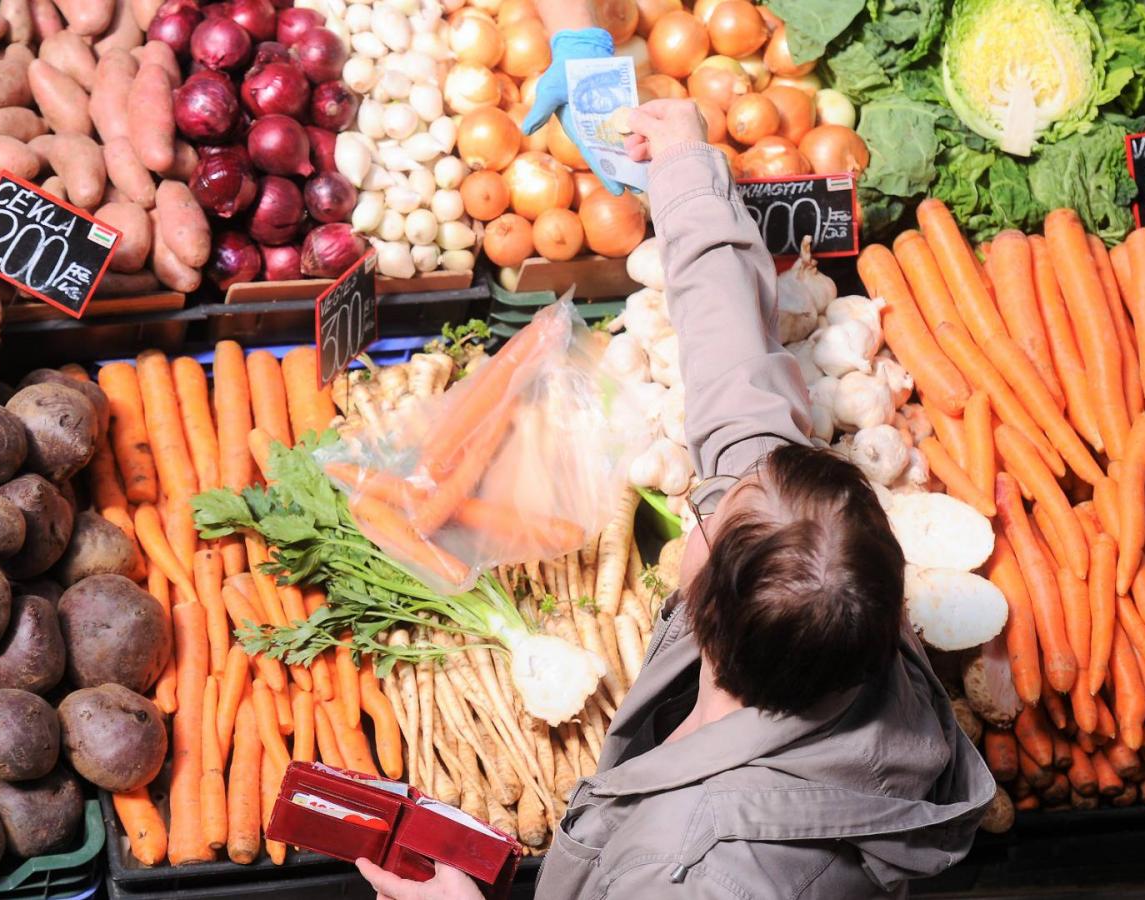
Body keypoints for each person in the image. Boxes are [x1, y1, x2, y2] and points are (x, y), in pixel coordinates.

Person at [355, 7, 996, 900]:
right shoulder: (833, 631)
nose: (708, 496)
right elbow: (741, 393)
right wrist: (690, 174)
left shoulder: (703, 874)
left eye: (713, 519)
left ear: (702, 610)